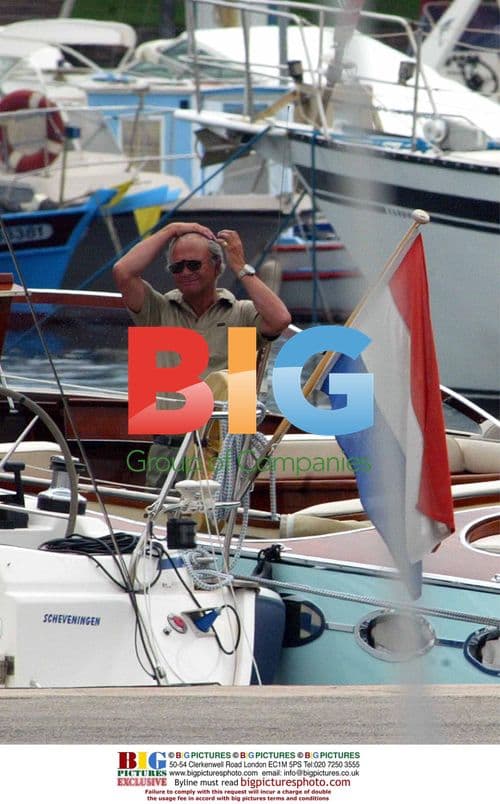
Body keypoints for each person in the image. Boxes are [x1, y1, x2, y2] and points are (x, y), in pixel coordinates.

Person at [113, 221, 291, 486]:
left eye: (194, 264)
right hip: (170, 451)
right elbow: (123, 271)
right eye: (177, 267)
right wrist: (170, 230)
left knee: (219, 520)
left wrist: (241, 267)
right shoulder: (159, 311)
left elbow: (279, 319)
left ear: (217, 267)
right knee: (165, 524)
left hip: (223, 453)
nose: (185, 271)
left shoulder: (241, 313)